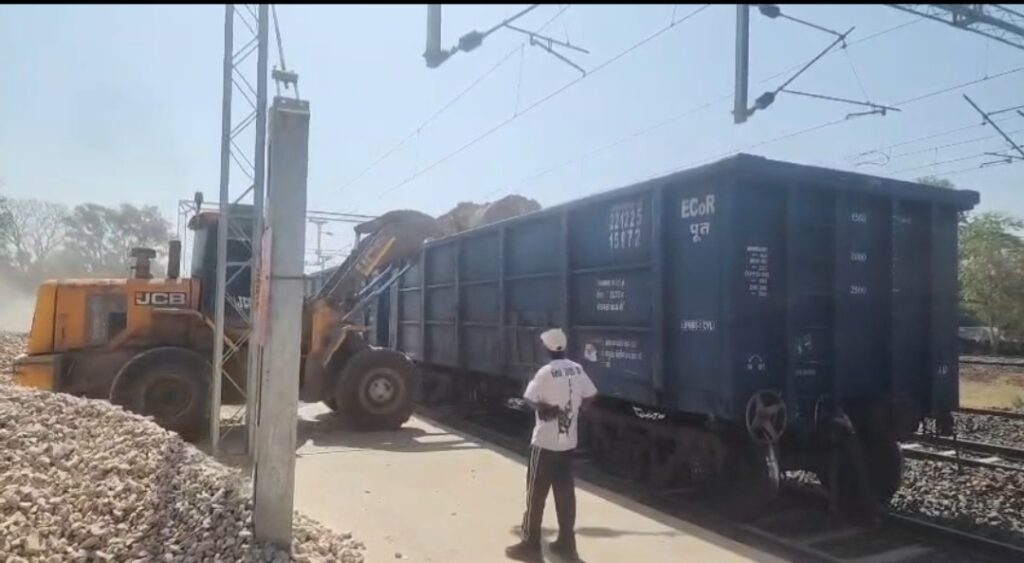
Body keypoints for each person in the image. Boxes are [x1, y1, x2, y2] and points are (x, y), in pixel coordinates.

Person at [505, 328, 598, 563]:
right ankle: (567, 543)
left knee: (535, 495)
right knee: (565, 494)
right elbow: (591, 394)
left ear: (547, 348)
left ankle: (530, 545)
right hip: (568, 443)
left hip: (544, 443)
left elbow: (529, 398)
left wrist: (543, 408)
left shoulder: (545, 372)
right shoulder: (577, 368)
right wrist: (578, 412)